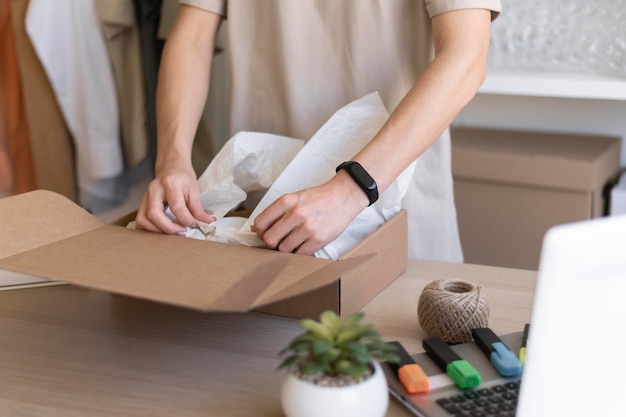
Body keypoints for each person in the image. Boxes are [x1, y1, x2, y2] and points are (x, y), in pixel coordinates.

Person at [136, 0, 501, 261]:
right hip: (264, 215)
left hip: (392, 210)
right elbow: (192, 35)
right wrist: (172, 159)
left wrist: (352, 187)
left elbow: (465, 56)